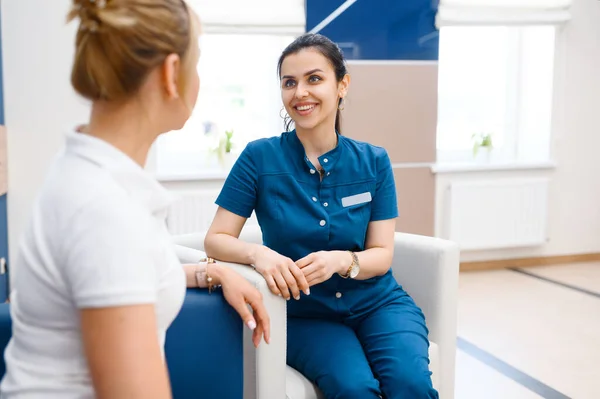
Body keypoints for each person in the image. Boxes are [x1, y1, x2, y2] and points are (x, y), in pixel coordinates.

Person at [0, 1, 269, 398]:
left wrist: (210, 272)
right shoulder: (105, 211)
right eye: (196, 64)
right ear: (171, 73)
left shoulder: (95, 175)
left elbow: (119, 279)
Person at [204, 33, 438, 399]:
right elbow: (215, 239)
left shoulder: (374, 161)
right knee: (354, 389)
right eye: (289, 82)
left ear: (342, 85)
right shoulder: (258, 159)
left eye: (314, 79)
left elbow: (382, 255)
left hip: (377, 303)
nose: (300, 93)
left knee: (411, 386)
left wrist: (342, 260)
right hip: (305, 314)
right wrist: (259, 254)